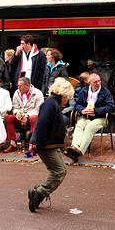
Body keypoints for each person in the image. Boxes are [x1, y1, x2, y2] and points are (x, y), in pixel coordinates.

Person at [27, 78, 75, 212]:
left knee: (61, 170)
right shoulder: (50, 104)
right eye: (68, 97)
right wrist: (38, 146)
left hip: (50, 145)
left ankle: (38, 192)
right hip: (46, 145)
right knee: (59, 171)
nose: (67, 100)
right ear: (63, 94)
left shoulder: (52, 103)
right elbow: (41, 126)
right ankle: (38, 193)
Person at [64, 73, 115, 162]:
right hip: (86, 116)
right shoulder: (84, 91)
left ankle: (80, 152)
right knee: (79, 125)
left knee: (89, 127)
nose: (98, 83)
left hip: (101, 118)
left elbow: (111, 106)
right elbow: (78, 104)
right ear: (90, 83)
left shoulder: (105, 91)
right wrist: (81, 110)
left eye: (99, 81)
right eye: (95, 82)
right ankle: (75, 147)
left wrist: (95, 111)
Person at [2, 76, 44, 153]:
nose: (18, 88)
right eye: (18, 86)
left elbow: (38, 109)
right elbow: (15, 106)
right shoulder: (17, 92)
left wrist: (27, 116)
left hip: (31, 116)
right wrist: (17, 113)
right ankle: (13, 143)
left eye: (20, 86)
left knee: (35, 118)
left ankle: (33, 144)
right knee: (8, 118)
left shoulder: (38, 93)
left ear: (27, 85)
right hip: (20, 115)